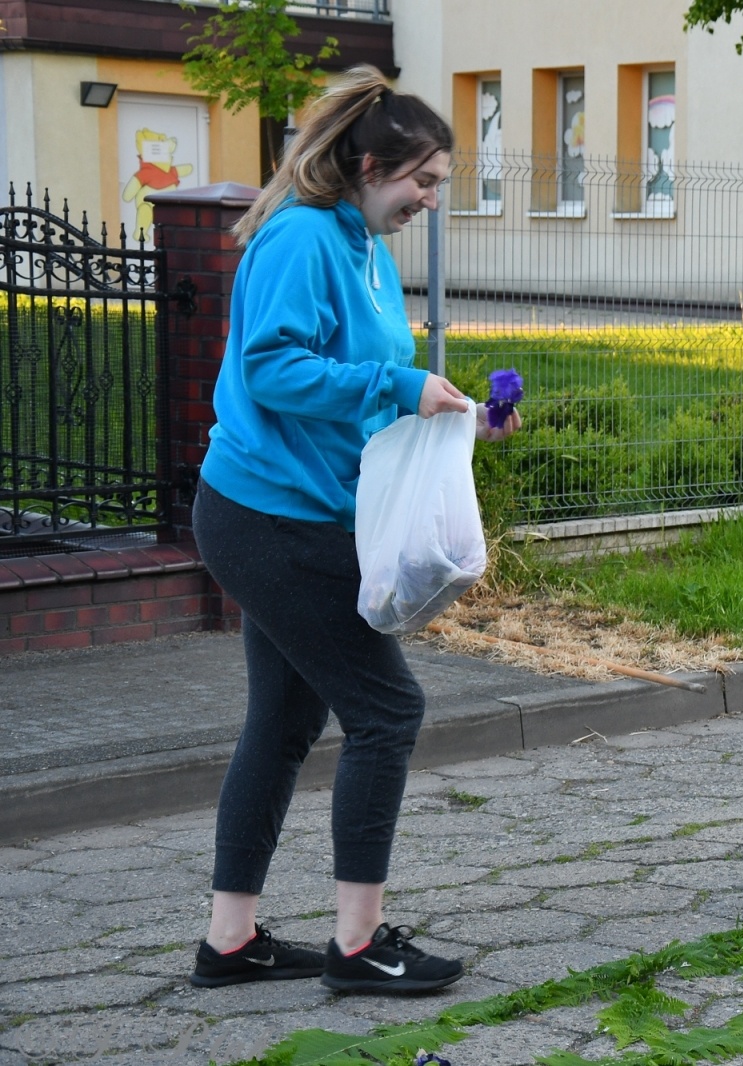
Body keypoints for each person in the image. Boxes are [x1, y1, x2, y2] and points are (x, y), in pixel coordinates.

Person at [188, 66, 521, 993]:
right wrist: (395, 387)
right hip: (268, 518)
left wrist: (448, 413)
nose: (429, 199)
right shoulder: (302, 238)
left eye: (440, 184)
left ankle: (230, 943)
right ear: (368, 163)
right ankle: (358, 945)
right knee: (389, 711)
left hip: (302, 512)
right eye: (421, 179)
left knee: (286, 723)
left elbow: (363, 382)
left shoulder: (363, 244)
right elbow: (272, 372)